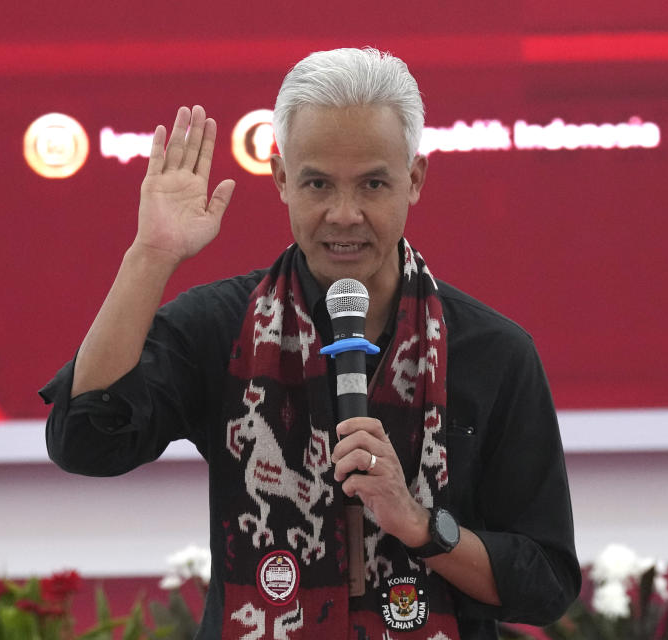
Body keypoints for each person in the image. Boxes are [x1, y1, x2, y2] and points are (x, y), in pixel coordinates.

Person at [41, 47, 580, 639]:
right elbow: (84, 441)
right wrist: (151, 256)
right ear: (280, 179)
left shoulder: (493, 352)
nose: (343, 215)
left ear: (415, 179)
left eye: (373, 184)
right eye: (317, 183)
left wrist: (422, 526)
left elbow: (545, 583)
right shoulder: (223, 327)